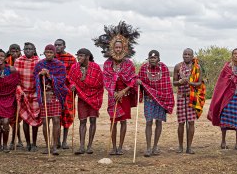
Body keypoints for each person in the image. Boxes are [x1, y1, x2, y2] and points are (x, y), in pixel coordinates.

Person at [95, 21, 140, 156]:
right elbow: (106, 80)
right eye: (116, 47)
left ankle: (120, 147)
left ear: (125, 48)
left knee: (123, 121)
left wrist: (123, 91)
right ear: (112, 48)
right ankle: (113, 147)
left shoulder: (129, 64)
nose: (118, 49)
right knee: (113, 121)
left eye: (120, 47)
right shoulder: (108, 63)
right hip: (112, 96)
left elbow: (132, 79)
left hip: (124, 96)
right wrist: (113, 92)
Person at [208, 48, 237, 151]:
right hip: (227, 97)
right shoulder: (227, 67)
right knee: (224, 118)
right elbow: (221, 83)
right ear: (232, 55)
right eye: (235, 53)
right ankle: (223, 141)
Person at [138, 50, 174, 157]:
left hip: (161, 99)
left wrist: (167, 98)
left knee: (159, 122)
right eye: (151, 58)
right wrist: (138, 82)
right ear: (148, 58)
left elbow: (167, 86)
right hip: (149, 100)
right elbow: (138, 80)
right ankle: (148, 148)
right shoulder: (144, 68)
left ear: (158, 58)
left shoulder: (164, 68)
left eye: (155, 58)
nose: (152, 59)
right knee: (149, 122)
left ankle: (155, 146)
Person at [34, 44, 68, 155]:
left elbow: (61, 80)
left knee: (56, 120)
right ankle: (47, 145)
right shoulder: (39, 64)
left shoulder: (60, 65)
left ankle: (54, 146)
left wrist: (49, 76)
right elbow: (36, 79)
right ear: (44, 53)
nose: (48, 54)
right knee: (45, 121)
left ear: (54, 54)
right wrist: (40, 75)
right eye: (47, 52)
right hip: (44, 95)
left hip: (56, 95)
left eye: (51, 52)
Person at [69, 48, 104, 154]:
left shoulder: (96, 67)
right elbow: (70, 79)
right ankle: (82, 146)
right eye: (78, 55)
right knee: (82, 121)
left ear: (87, 57)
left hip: (94, 97)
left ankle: (90, 146)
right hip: (81, 98)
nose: (79, 58)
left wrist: (91, 90)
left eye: (81, 56)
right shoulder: (74, 67)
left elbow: (100, 82)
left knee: (93, 120)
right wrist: (73, 86)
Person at [173, 48, 204, 154]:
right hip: (181, 97)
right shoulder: (178, 67)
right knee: (181, 123)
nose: (186, 56)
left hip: (192, 97)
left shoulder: (197, 67)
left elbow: (199, 83)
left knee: (191, 122)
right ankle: (180, 147)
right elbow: (174, 83)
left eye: (188, 54)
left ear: (192, 56)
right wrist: (180, 82)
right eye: (184, 54)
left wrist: (190, 83)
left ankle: (189, 147)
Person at [15, 42, 41, 152]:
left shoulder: (38, 62)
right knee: (25, 119)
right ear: (23, 50)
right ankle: (28, 143)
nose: (28, 50)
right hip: (23, 93)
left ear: (34, 50)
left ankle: (34, 143)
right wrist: (19, 90)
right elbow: (15, 77)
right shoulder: (18, 61)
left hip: (35, 93)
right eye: (26, 48)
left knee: (35, 118)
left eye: (30, 48)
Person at [54, 39, 77, 149]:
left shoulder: (71, 58)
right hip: (55, 90)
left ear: (64, 46)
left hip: (67, 90)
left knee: (67, 114)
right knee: (57, 115)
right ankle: (57, 140)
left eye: (59, 45)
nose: (57, 47)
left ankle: (64, 141)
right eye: (56, 45)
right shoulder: (52, 57)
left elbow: (74, 74)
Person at [5, 43, 23, 149]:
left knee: (19, 117)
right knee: (12, 118)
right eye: (13, 50)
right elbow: (6, 76)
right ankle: (14, 140)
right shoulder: (6, 62)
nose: (15, 52)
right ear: (10, 51)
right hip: (10, 92)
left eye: (17, 50)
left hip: (22, 91)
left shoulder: (23, 60)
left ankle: (18, 140)